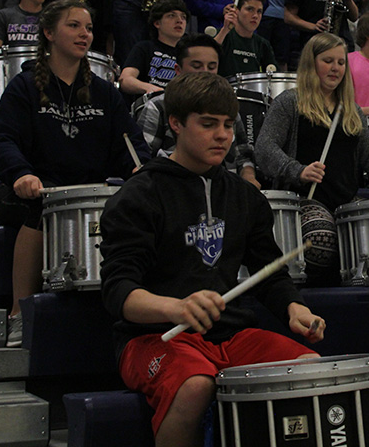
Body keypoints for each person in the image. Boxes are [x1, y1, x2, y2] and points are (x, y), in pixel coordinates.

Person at [100, 72, 324, 447]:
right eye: (208, 124)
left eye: (226, 125)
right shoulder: (139, 195)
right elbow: (119, 293)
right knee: (193, 384)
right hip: (152, 338)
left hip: (229, 336)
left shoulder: (245, 197)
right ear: (175, 123)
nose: (223, 135)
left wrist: (293, 307)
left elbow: (270, 274)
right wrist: (176, 307)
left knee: (308, 369)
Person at [0, 0, 149, 348]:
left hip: (90, 188)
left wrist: (139, 168)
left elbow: (130, 143)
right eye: (74, 26)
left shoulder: (105, 91)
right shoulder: (24, 86)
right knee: (37, 212)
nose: (85, 34)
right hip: (35, 189)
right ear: (48, 33)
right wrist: (20, 175)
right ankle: (19, 312)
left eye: (89, 28)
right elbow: (3, 140)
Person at [255, 33, 369, 285]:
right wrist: (297, 170)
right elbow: (264, 148)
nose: (336, 68)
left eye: (341, 62)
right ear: (311, 63)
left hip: (345, 199)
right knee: (320, 239)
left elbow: (368, 153)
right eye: (328, 61)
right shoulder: (290, 102)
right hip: (305, 200)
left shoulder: (351, 109)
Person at [135, 34, 259, 188]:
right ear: (178, 70)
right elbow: (143, 160)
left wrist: (248, 177)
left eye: (212, 67)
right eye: (196, 66)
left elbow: (243, 154)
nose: (205, 72)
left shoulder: (228, 107)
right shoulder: (158, 107)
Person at [118, 0, 189, 98]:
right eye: (171, 15)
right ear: (157, 23)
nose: (179, 20)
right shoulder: (144, 48)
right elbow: (125, 80)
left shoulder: (188, 52)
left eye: (183, 17)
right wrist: (150, 88)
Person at [213, 0, 277, 77]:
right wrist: (225, 30)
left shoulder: (262, 44)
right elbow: (207, 56)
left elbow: (274, 76)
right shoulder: (222, 34)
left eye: (259, 11)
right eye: (250, 9)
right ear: (236, 11)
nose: (255, 15)